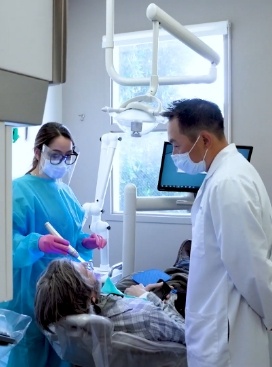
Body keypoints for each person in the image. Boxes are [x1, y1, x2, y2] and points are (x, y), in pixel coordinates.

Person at [162, 98, 272, 367]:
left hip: (229, 338)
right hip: (218, 327)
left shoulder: (228, 183)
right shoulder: (224, 176)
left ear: (205, 140)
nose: (174, 153)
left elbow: (251, 267)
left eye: (176, 145)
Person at [0, 122, 107, 367]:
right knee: (30, 352)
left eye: (67, 156)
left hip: (63, 295)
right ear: (38, 152)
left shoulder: (66, 192)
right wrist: (38, 243)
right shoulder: (16, 190)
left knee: (62, 353)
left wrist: (86, 242)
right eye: (55, 156)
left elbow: (72, 240)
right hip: (28, 292)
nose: (62, 162)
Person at [34, 258, 186, 345]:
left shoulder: (58, 325)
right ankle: (183, 265)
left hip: (120, 304)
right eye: (87, 271)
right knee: (175, 277)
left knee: (128, 282)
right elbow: (187, 334)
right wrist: (147, 297)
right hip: (171, 310)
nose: (90, 268)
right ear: (91, 296)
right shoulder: (147, 316)